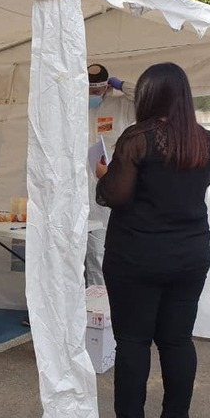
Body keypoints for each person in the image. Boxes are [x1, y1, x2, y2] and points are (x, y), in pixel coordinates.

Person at [94, 62, 210, 418]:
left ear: (147, 96)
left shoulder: (136, 138)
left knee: (133, 342)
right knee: (177, 341)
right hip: (190, 254)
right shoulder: (206, 142)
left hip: (136, 254)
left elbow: (114, 196)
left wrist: (103, 172)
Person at [86, 63, 135, 286]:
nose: (93, 95)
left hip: (108, 183)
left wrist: (122, 85)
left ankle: (99, 300)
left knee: (99, 246)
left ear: (106, 87)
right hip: (78, 185)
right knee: (72, 247)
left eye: (97, 90)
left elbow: (147, 97)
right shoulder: (77, 106)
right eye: (90, 90)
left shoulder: (122, 105)